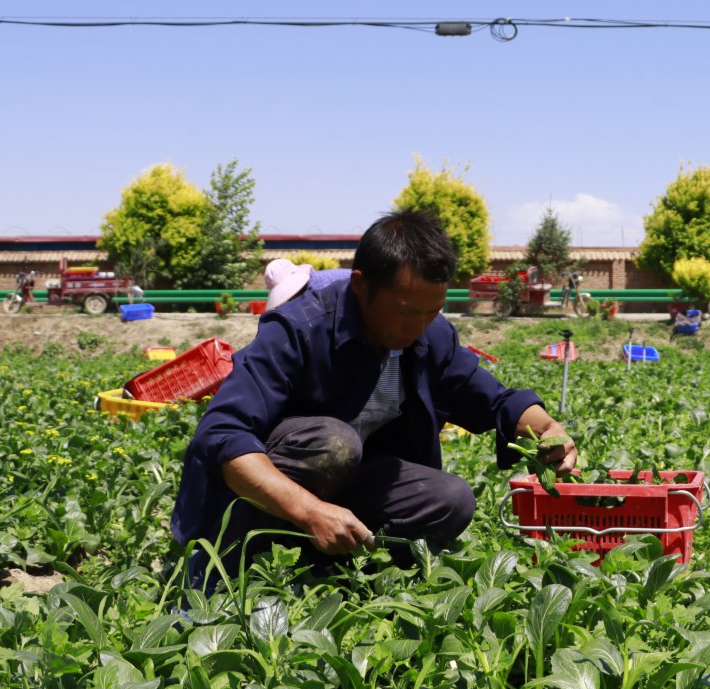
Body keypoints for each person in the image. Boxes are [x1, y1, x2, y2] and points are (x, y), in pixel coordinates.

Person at [173, 209, 578, 582]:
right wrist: (309, 511)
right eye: (405, 311)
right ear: (361, 285)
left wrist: (543, 427)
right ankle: (227, 567)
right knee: (333, 444)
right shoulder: (299, 329)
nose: (419, 326)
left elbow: (493, 399)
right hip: (264, 497)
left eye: (432, 311)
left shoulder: (429, 336)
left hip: (345, 491)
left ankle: (334, 570)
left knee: (450, 498)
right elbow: (222, 435)